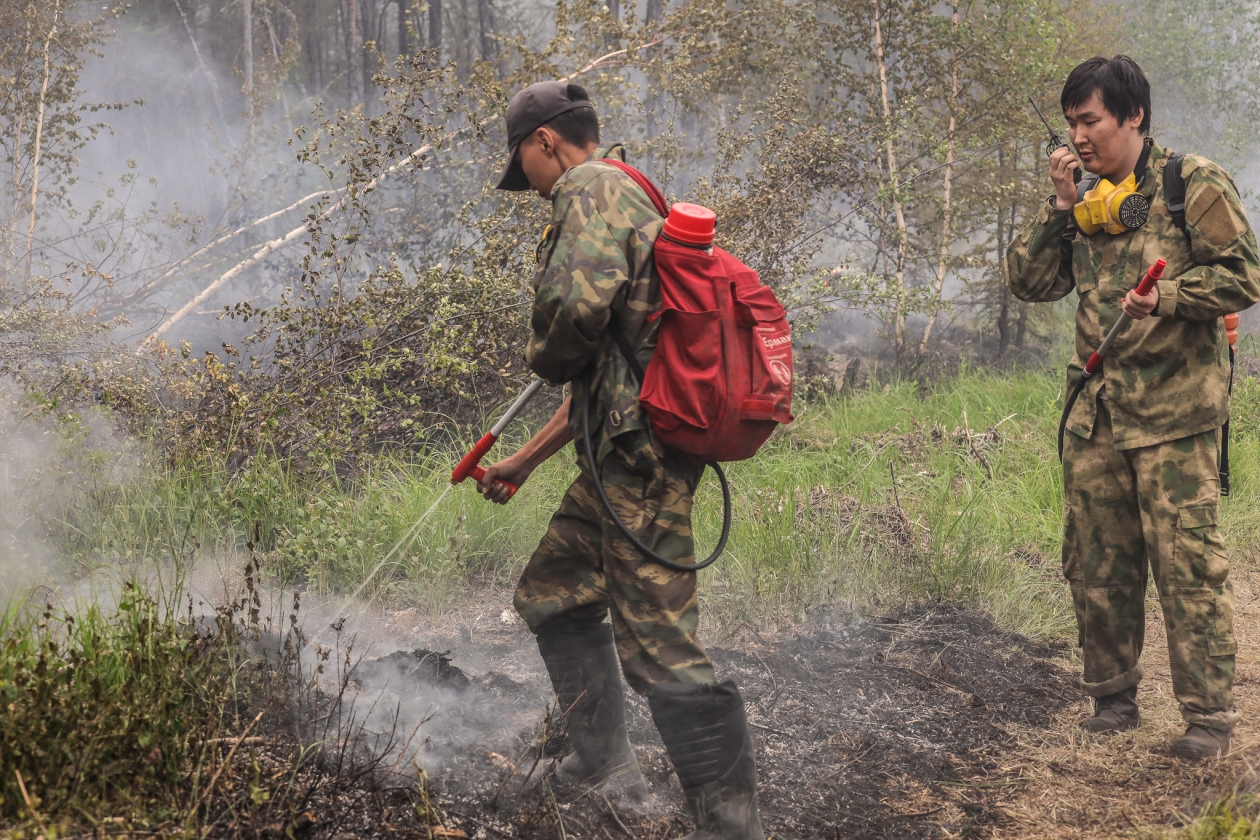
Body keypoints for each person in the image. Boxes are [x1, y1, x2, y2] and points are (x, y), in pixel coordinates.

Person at [476, 80, 765, 838]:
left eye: (523, 165)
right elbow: (609, 378)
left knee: (659, 645)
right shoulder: (635, 189)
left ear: (544, 142)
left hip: (640, 461)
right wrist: (525, 462)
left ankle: (732, 825)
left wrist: (545, 352)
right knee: (555, 590)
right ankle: (603, 764)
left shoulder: (590, 186)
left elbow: (573, 317)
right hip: (619, 450)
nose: (529, 186)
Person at [1008, 56, 1260, 759]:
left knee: (1188, 568)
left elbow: (1244, 275)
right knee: (1097, 562)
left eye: (1090, 121)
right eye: (1071, 125)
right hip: (1098, 415)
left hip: (1176, 417)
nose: (1078, 137)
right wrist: (1059, 208)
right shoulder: (1085, 200)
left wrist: (1168, 297)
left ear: (1133, 116)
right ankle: (1112, 699)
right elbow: (1029, 284)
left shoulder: (1191, 184)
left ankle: (1208, 720)